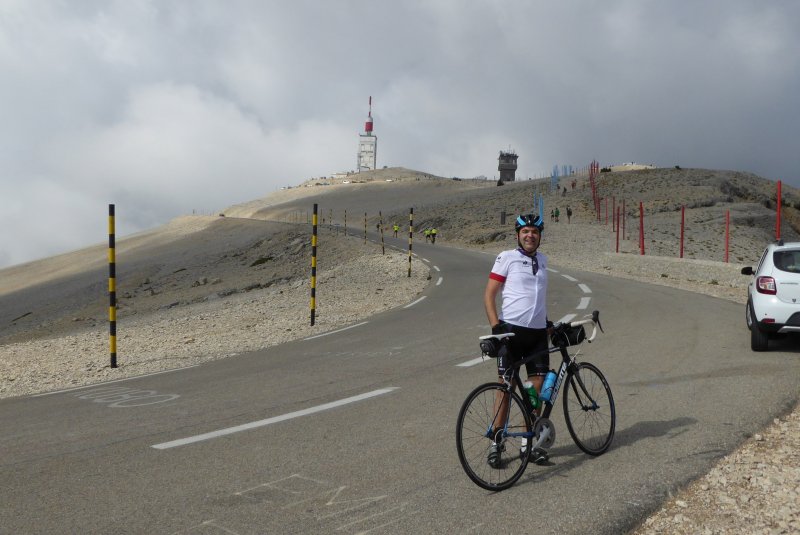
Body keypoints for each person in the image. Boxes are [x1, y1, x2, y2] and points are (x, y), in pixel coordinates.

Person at [484, 213, 551, 466]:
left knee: (534, 392)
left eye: (534, 231)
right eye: (525, 232)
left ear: (539, 236)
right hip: (511, 332)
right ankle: (496, 444)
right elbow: (489, 295)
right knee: (505, 389)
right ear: (518, 235)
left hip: (537, 335)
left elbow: (537, 299)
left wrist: (548, 323)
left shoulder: (543, 261)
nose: (530, 235)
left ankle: (528, 445)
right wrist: (495, 328)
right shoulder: (506, 258)